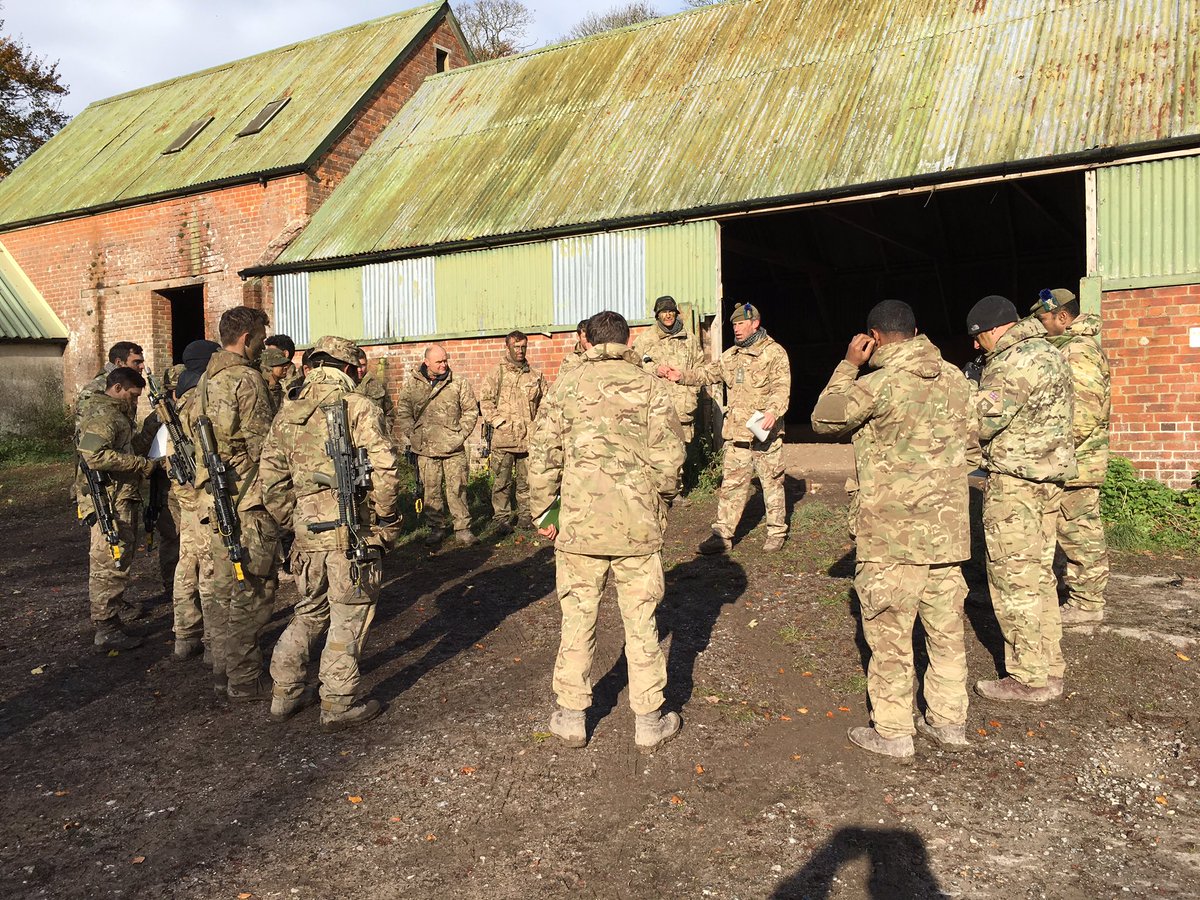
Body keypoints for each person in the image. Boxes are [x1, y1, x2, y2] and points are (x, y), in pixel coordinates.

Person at [812, 300, 977, 758]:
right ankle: (949, 722)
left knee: (888, 636)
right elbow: (975, 436)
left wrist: (848, 365)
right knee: (946, 634)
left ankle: (893, 732)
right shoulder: (958, 382)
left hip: (890, 539)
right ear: (918, 331)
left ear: (874, 338)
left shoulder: (876, 384)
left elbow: (824, 419)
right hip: (947, 538)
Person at [529, 310, 686, 752]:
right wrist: (661, 504)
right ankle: (649, 720)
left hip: (579, 526)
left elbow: (542, 454)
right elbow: (671, 460)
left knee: (578, 617)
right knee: (642, 622)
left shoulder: (566, 387)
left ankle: (572, 716)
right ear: (628, 339)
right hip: (637, 527)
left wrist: (544, 513)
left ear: (586, 340)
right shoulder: (652, 387)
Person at [260, 336, 402, 732]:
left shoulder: (287, 412)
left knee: (308, 612)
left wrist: (296, 521)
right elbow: (386, 471)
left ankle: (284, 692)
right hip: (351, 533)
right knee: (348, 617)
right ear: (348, 367)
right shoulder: (358, 406)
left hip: (308, 537)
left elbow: (270, 481)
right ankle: (338, 703)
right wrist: (386, 521)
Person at [967, 295, 1075, 703]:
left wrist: (963, 393)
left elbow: (985, 420)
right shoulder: (1049, 351)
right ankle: (1050, 668)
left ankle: (1027, 677)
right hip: (1049, 479)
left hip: (1017, 484)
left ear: (996, 329)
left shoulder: (1013, 361)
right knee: (1039, 575)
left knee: (1014, 580)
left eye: (978, 337)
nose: (977, 346)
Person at [190, 306, 279, 702]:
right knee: (255, 588)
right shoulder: (247, 379)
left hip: (215, 496)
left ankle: (222, 670)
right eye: (261, 336)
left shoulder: (207, 380)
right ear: (246, 337)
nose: (263, 343)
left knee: (226, 587)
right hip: (246, 498)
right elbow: (266, 448)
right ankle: (244, 679)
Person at [659, 302, 791, 553]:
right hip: (737, 435)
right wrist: (681, 376)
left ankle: (776, 532)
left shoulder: (774, 353)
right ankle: (723, 536)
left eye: (741, 324)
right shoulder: (731, 356)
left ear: (755, 323)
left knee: (772, 483)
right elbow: (708, 373)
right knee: (731, 485)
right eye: (734, 325)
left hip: (765, 434)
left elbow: (781, 388)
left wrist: (774, 411)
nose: (737, 329)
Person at [1031, 288, 1111, 625]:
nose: (1040, 325)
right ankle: (1084, 599)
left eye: (1044, 319)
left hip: (1077, 463)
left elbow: (1084, 412)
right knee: (1073, 530)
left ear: (1063, 317)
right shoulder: (1067, 348)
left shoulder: (1078, 351)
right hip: (1070, 461)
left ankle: (1087, 604)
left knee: (1081, 532)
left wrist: (1051, 450)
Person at [76, 367, 157, 650]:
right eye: (133, 396)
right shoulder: (104, 415)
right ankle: (105, 627)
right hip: (109, 501)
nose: (135, 402)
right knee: (108, 562)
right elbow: (93, 455)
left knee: (118, 561)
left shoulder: (116, 415)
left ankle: (112, 620)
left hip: (121, 496)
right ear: (119, 388)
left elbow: (126, 447)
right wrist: (140, 465)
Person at [396, 343, 480, 547]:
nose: (444, 364)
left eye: (446, 360)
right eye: (439, 361)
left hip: (453, 449)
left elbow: (471, 411)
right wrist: (413, 435)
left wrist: (459, 435)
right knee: (431, 491)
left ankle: (463, 528)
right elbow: (404, 411)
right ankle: (436, 528)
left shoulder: (458, 383)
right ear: (427, 362)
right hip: (425, 450)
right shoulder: (413, 385)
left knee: (457, 489)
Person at [169, 339, 221, 661]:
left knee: (187, 557)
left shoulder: (180, 392)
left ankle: (185, 634)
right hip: (199, 484)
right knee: (210, 562)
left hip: (182, 484)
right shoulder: (202, 394)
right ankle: (213, 645)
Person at [480, 330, 547, 534]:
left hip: (528, 439)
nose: (520, 350)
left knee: (527, 482)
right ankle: (501, 518)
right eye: (516, 347)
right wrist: (500, 423)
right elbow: (485, 401)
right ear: (507, 347)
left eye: (523, 347)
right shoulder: (496, 374)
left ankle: (526, 517)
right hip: (504, 439)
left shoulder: (535, 376)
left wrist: (538, 425)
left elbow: (546, 402)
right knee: (502, 482)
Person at [634, 296, 704, 444]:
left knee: (682, 451)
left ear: (676, 313)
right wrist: (654, 368)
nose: (668, 315)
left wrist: (692, 392)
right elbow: (634, 366)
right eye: (663, 312)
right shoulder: (645, 339)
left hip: (682, 407)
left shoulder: (689, 339)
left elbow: (699, 368)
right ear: (657, 315)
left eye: (671, 311)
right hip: (655, 407)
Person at [76, 341, 145, 416]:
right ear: (119, 363)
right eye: (136, 362)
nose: (142, 366)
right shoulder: (94, 388)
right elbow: (85, 423)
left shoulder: (127, 384)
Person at [354, 348, 396, 434]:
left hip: (376, 439)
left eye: (363, 365)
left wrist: (384, 432)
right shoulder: (346, 385)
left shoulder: (377, 384)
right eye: (357, 366)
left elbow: (389, 412)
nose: (360, 369)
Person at [260, 346, 293, 416]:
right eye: (281, 365)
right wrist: (272, 388)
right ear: (268, 368)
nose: (285, 367)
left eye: (285, 364)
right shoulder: (261, 386)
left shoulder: (278, 386)